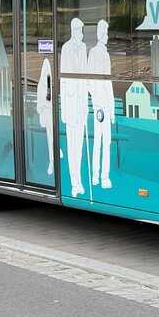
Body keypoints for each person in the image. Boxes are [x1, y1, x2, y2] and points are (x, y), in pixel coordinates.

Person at [60, 18, 89, 197]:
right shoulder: (66, 49)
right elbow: (63, 81)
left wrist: (85, 106)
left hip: (81, 106)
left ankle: (79, 181)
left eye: (82, 31)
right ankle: (74, 183)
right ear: (73, 32)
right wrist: (64, 111)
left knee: (79, 147)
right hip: (71, 106)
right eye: (78, 31)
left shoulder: (83, 48)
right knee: (71, 147)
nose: (81, 35)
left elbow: (85, 78)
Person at [87, 19, 114, 189]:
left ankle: (101, 176)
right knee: (100, 142)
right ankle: (99, 176)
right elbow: (90, 80)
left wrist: (111, 109)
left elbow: (108, 82)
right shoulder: (96, 53)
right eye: (106, 32)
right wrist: (97, 97)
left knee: (104, 142)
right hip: (100, 106)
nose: (108, 36)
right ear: (101, 34)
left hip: (103, 105)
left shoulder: (104, 54)